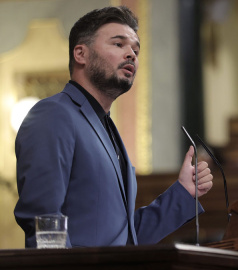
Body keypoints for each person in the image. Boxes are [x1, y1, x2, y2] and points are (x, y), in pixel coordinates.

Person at [14, 6, 213, 248]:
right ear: (81, 54)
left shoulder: (106, 128)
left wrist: (183, 192)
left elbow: (127, 239)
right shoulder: (54, 114)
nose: (131, 54)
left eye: (136, 50)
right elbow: (43, 223)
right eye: (119, 45)